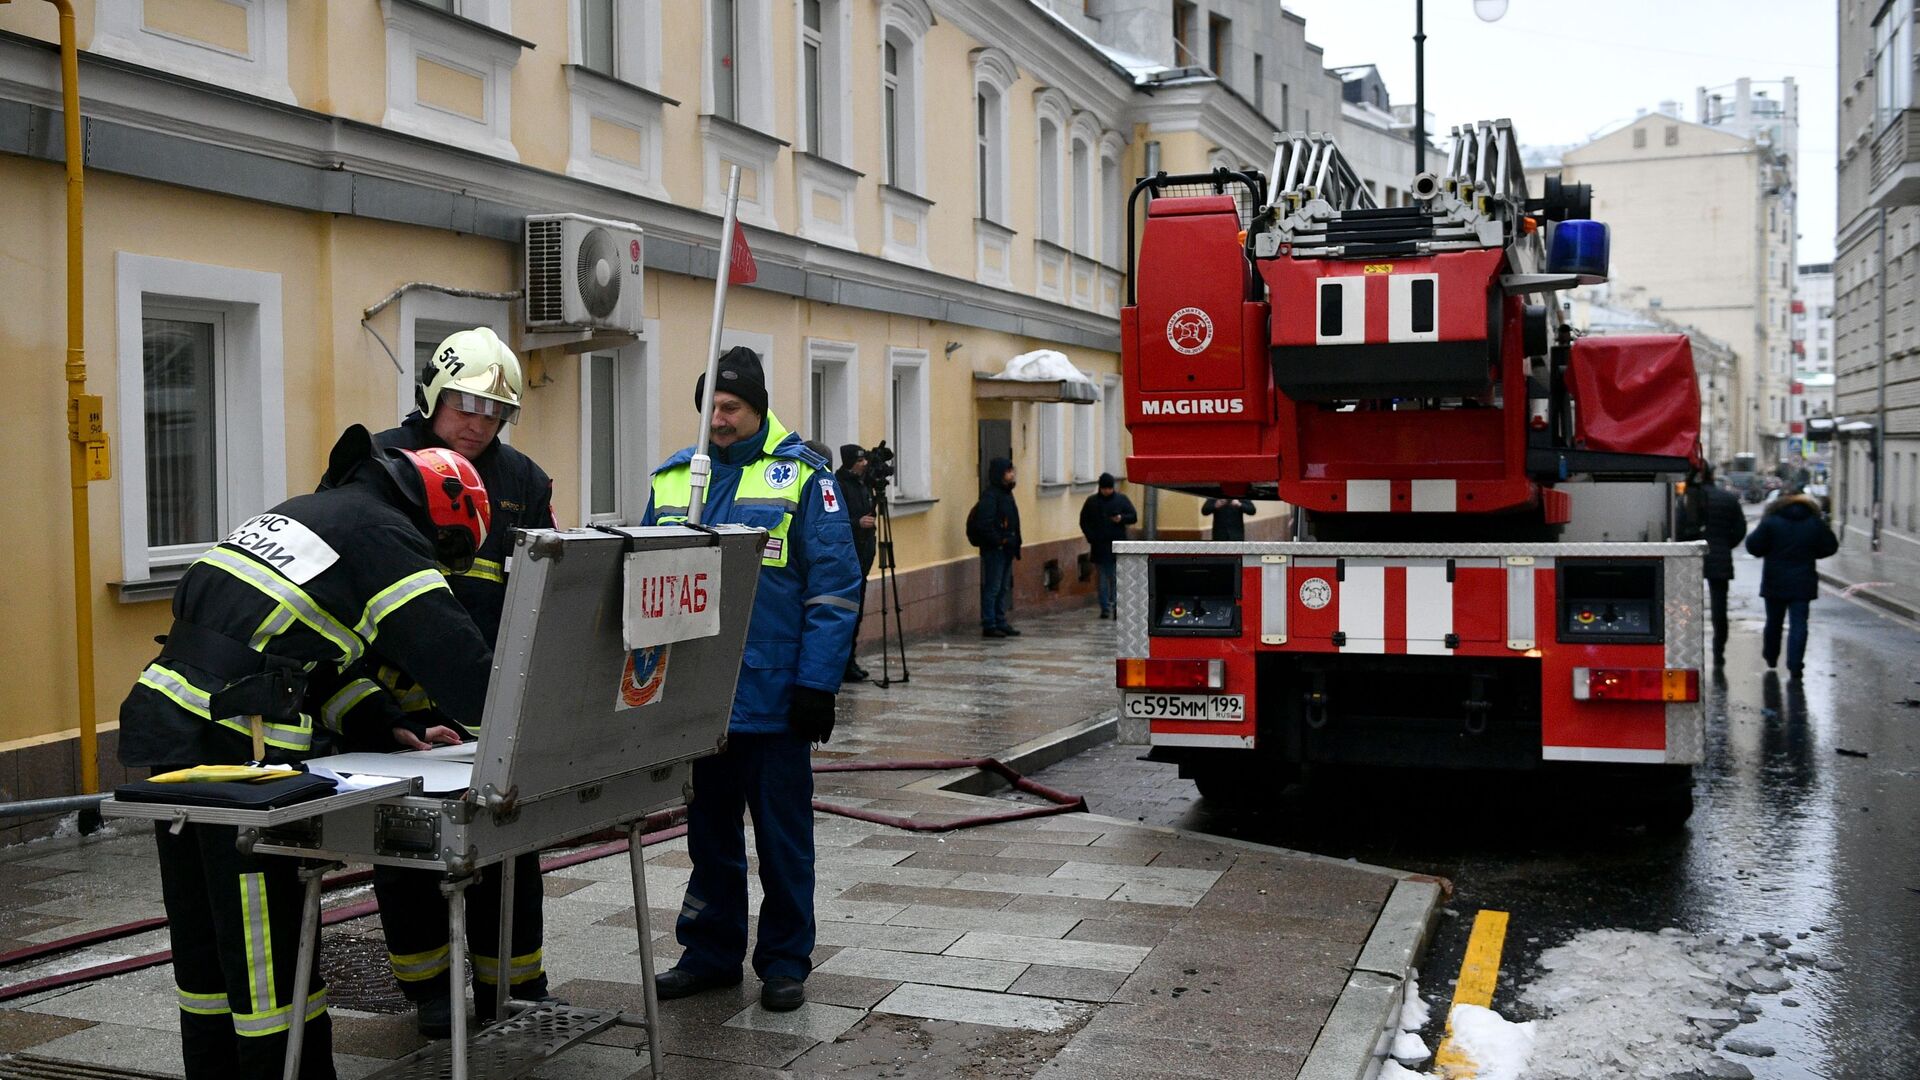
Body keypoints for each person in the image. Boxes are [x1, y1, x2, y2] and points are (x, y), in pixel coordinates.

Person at [118, 426, 494, 1080]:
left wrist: (388, 722)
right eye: (452, 548)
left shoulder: (312, 514)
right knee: (266, 957)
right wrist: (540, 724)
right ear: (441, 512)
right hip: (239, 748)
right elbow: (465, 672)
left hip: (177, 722)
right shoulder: (385, 538)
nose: (443, 560)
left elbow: (311, 660)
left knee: (206, 945)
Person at [644, 346, 861, 1012]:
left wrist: (817, 686)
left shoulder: (805, 479)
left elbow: (834, 590)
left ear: (757, 407)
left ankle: (786, 959)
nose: (718, 418)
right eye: (709, 405)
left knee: (783, 839)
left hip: (775, 701)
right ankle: (709, 953)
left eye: (731, 406)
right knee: (708, 839)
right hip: (701, 701)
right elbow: (647, 587)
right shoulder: (677, 478)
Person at [362, 327, 559, 1038]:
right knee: (409, 850)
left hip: (489, 699)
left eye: (495, 411)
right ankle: (430, 993)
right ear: (436, 393)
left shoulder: (524, 483)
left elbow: (543, 591)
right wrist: (376, 707)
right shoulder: (380, 464)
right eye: (467, 404)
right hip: (400, 704)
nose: (479, 421)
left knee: (511, 844)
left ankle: (517, 984)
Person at [1743, 488, 1839, 680]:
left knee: (1774, 622)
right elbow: (1830, 546)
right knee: (1799, 623)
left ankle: (1771, 657)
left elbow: (1753, 546)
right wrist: (1812, 553)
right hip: (1803, 580)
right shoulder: (1814, 522)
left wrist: (1768, 550)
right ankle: (1795, 665)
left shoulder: (1771, 521)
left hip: (1774, 579)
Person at [1680, 465, 1748, 667]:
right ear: (1712, 475)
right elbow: (1740, 528)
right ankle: (1719, 649)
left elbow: (1679, 528)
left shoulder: (1688, 499)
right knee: (1720, 608)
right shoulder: (1727, 498)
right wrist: (1726, 545)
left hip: (1692, 558)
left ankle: (1687, 647)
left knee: (1688, 605)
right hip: (1720, 556)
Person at [834, 444, 878, 681]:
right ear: (850, 461)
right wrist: (857, 523)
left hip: (864, 555)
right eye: (860, 460)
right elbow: (836, 519)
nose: (864, 464)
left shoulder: (863, 484)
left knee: (857, 612)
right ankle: (843, 663)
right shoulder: (840, 484)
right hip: (849, 555)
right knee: (847, 612)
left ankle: (851, 660)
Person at [967, 457, 1023, 638]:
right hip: (995, 550)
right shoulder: (990, 496)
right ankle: (989, 623)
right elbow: (985, 524)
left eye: (1011, 470)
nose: (1012, 474)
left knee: (1003, 587)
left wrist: (1015, 542)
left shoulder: (1006, 494)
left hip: (1006, 549)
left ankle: (1000, 620)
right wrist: (1000, 541)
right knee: (993, 587)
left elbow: (1013, 521)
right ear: (1000, 475)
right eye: (1008, 472)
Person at [1078, 473, 1137, 619]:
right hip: (1099, 545)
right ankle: (1105, 607)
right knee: (1103, 578)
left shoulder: (1121, 500)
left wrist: (1121, 518)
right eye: (1104, 488)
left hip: (1117, 544)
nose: (1107, 491)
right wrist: (1091, 537)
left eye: (1109, 488)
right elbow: (1084, 521)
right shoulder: (1092, 502)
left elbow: (1133, 516)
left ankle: (1117, 605)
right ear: (1100, 488)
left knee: (1116, 577)